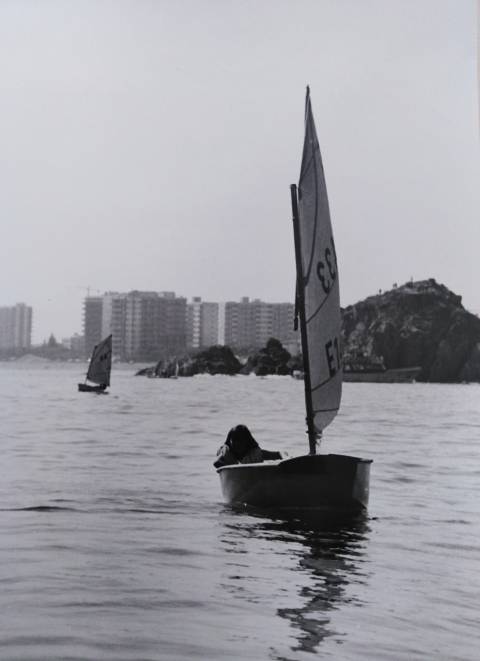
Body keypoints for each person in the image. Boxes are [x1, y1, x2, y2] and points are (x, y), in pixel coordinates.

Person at [213, 424, 282, 468]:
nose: (237, 443)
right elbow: (216, 463)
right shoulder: (226, 453)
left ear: (247, 441)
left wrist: (284, 456)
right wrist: (225, 465)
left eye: (240, 440)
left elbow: (278, 455)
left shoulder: (255, 453)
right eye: (234, 440)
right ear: (229, 441)